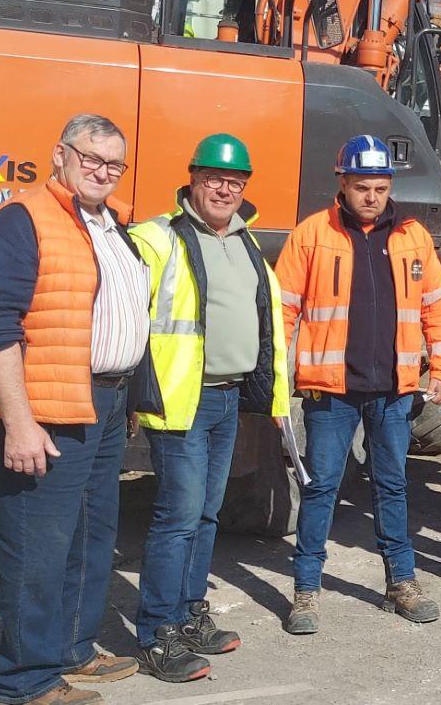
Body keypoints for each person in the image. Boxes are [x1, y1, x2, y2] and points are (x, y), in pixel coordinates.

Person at [0, 114, 154, 705]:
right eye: (90, 158)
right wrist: (18, 421)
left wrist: (127, 395)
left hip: (102, 398)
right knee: (38, 543)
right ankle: (26, 681)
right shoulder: (23, 219)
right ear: (60, 155)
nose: (102, 172)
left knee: (91, 534)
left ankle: (71, 648)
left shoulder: (109, 222)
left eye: (114, 164)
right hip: (45, 405)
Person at [274, 135, 441, 634]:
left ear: (389, 186)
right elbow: (281, 312)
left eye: (379, 187)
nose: (371, 196)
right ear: (343, 185)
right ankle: (306, 590)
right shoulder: (311, 235)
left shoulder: (414, 237)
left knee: (393, 486)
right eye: (361, 187)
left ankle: (401, 583)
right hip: (330, 393)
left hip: (393, 391)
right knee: (321, 489)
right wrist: (272, 382)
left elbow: (437, 306)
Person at [126, 134, 290, 682]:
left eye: (235, 181)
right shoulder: (157, 238)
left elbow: (267, 323)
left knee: (205, 514)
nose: (225, 188)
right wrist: (132, 392)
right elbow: (126, 318)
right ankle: (157, 634)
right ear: (192, 179)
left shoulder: (245, 243)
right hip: (180, 401)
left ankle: (190, 614)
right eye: (215, 178)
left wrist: (275, 396)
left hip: (227, 398)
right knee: (177, 517)